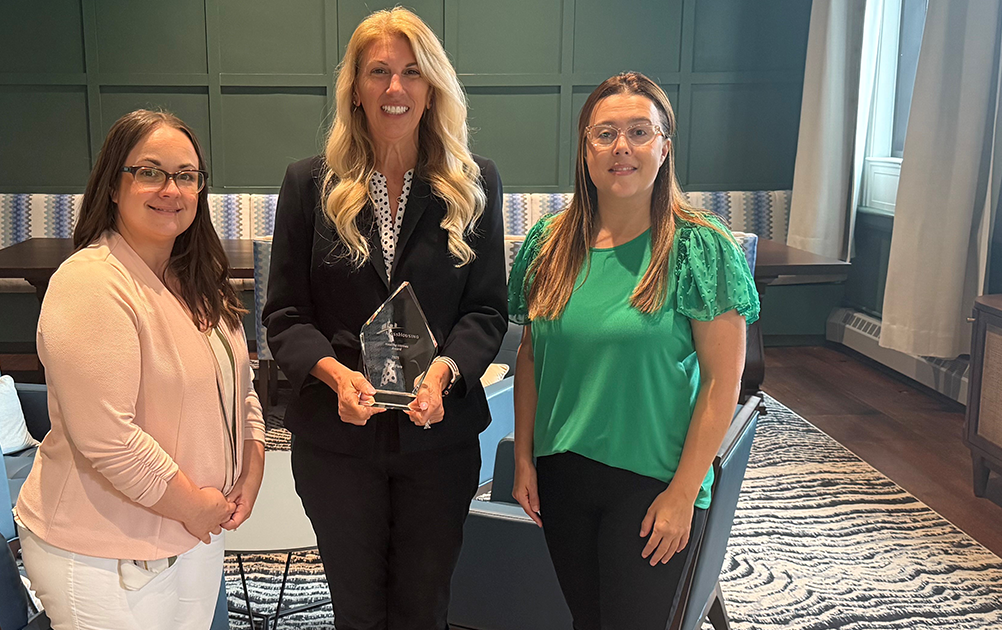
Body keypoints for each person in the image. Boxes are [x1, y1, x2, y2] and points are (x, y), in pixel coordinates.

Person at [263, 7, 507, 630]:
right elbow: (286, 315)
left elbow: (486, 310)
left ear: (432, 88)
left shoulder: (474, 185)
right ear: (355, 88)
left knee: (425, 605)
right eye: (378, 72)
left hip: (440, 440)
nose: (394, 88)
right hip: (337, 439)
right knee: (357, 607)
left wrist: (446, 371)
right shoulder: (307, 184)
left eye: (411, 72)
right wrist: (333, 376)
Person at [508, 72, 760, 630]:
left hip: (654, 483)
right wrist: (524, 458)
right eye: (605, 133)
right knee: (587, 620)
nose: (621, 146)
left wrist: (684, 492)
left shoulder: (700, 246)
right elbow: (531, 357)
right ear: (585, 148)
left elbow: (725, 381)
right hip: (562, 474)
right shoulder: (549, 243)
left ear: (664, 145)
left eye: (639, 131)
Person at [15, 109, 265, 630]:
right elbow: (108, 436)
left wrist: (253, 457)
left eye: (186, 175)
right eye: (149, 171)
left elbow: (240, 383)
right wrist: (194, 506)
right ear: (113, 183)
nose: (170, 189)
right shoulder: (91, 283)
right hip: (103, 551)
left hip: (191, 533)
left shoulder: (199, 280)